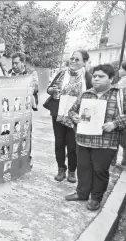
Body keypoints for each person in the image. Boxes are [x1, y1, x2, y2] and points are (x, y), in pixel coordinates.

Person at [65, 64, 126, 211]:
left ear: (111, 78)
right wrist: (75, 117)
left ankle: (96, 198)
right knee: (83, 168)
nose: (96, 79)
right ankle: (82, 193)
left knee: (99, 171)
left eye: (101, 76)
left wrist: (115, 123)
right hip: (84, 140)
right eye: (94, 76)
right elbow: (72, 111)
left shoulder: (120, 94)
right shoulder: (86, 94)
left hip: (105, 142)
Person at [46, 50, 92, 183]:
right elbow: (49, 89)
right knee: (59, 143)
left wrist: (85, 117)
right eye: (72, 58)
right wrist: (52, 90)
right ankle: (61, 169)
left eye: (77, 59)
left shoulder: (88, 78)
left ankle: (72, 171)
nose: (72, 61)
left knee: (73, 146)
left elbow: (91, 98)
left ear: (84, 62)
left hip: (76, 117)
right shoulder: (61, 74)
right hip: (58, 114)